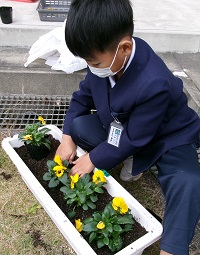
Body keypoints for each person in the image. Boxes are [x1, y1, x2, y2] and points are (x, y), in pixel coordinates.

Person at [56, 0, 200, 254]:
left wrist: (93, 158)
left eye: (94, 63)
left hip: (166, 136)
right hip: (124, 129)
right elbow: (82, 97)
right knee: (79, 127)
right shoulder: (107, 59)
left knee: (188, 180)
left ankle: (172, 247)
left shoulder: (152, 81)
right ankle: (133, 161)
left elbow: (136, 136)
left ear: (124, 47)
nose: (91, 68)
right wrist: (67, 137)